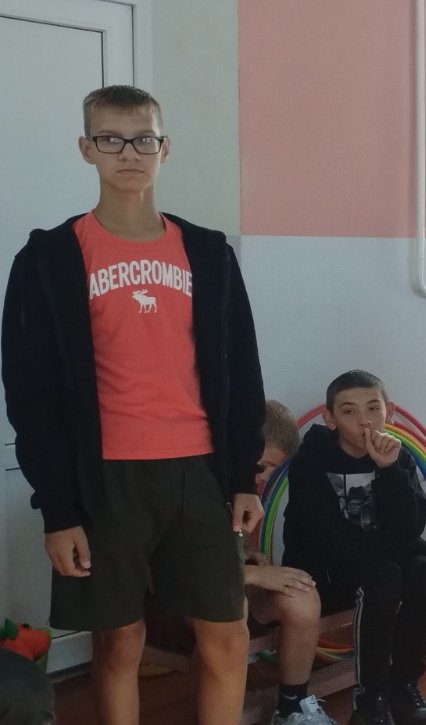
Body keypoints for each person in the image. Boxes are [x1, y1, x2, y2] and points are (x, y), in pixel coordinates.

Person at [1, 84, 265, 725]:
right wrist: (59, 510)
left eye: (143, 139)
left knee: (228, 635)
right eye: (111, 139)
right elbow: (30, 395)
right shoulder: (48, 259)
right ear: (86, 148)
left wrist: (242, 475)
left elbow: (242, 370)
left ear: (164, 148)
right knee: (120, 642)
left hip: (200, 472)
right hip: (105, 480)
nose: (129, 153)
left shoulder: (209, 253)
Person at [283, 372, 426, 725]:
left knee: (425, 572)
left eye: (373, 408)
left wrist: (389, 471)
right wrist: (420, 546)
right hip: (325, 574)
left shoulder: (398, 457)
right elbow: (332, 541)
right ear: (330, 418)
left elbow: (408, 526)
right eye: (349, 411)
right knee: (385, 575)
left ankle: (404, 688)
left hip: (379, 561)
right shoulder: (310, 462)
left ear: (388, 411)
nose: (364, 420)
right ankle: (370, 701)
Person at [246, 400, 335, 724]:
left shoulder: (250, 490)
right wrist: (253, 575)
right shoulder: (201, 478)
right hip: (200, 592)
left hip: (234, 579)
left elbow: (237, 540)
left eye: (274, 468)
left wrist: (251, 555)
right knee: (228, 608)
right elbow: (187, 567)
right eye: (263, 465)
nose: (266, 476)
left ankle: (293, 707)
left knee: (302, 593)